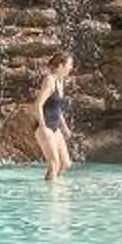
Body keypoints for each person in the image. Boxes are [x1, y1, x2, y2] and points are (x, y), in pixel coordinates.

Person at [31, 54, 74, 183]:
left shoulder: (60, 81)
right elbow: (38, 104)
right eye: (69, 64)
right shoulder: (49, 80)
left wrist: (64, 127)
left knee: (65, 163)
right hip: (45, 126)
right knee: (54, 164)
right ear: (61, 65)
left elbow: (57, 108)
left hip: (55, 127)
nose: (71, 68)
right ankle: (50, 192)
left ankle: (54, 185)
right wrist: (43, 126)